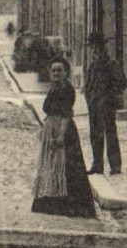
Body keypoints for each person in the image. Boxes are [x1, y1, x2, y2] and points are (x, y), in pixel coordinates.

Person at [32, 57, 98, 218]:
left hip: (64, 131)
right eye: (53, 70)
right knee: (52, 167)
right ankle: (51, 203)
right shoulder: (54, 88)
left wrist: (61, 135)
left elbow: (66, 114)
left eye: (59, 70)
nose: (56, 73)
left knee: (67, 167)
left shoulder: (67, 89)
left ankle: (69, 206)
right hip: (51, 130)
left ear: (65, 73)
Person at [83, 31, 126, 175]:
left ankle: (115, 165)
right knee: (95, 134)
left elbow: (121, 82)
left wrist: (110, 97)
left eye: (96, 47)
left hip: (106, 105)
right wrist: (89, 98)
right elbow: (88, 84)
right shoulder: (92, 66)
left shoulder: (111, 64)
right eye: (92, 47)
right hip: (94, 105)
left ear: (102, 48)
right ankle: (97, 164)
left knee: (110, 134)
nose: (94, 50)